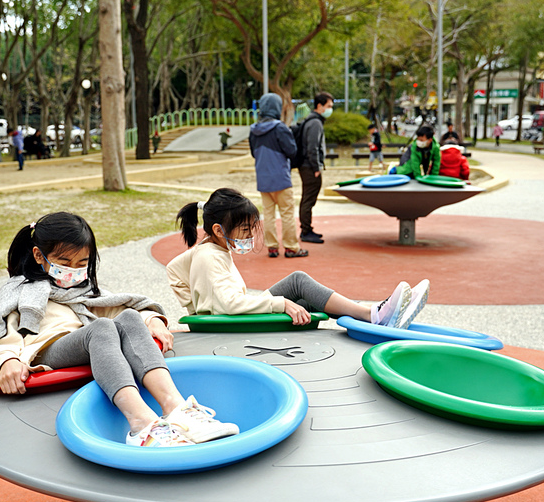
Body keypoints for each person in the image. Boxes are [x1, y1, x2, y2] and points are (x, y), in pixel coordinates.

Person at [0, 212, 239, 447]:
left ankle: (176, 408)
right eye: (64, 262)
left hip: (91, 339)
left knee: (130, 317)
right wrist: (7, 360)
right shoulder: (21, 291)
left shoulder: (84, 289)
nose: (73, 271)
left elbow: (119, 308)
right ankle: (142, 424)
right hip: (44, 351)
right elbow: (0, 333)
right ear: (40, 255)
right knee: (101, 327)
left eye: (81, 263)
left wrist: (152, 319)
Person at [167, 188, 430, 331]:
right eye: (245, 230)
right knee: (297, 282)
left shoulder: (210, 249)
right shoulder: (209, 257)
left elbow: (175, 269)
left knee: (304, 299)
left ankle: (372, 315)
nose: (249, 236)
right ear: (217, 230)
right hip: (229, 325)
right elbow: (229, 304)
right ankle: (373, 315)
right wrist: (280, 303)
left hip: (230, 319)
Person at [249, 93, 306, 259]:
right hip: (281, 178)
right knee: (287, 213)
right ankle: (291, 248)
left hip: (263, 179)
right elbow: (292, 151)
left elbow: (254, 153)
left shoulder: (254, 130)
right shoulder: (280, 128)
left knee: (268, 215)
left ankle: (272, 247)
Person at [297, 92, 332, 244]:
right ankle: (305, 231)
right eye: (329, 106)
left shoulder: (311, 120)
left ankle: (307, 228)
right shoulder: (315, 123)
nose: (331, 109)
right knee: (308, 199)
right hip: (309, 166)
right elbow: (313, 147)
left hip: (306, 165)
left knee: (308, 198)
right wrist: (316, 167)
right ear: (320, 106)